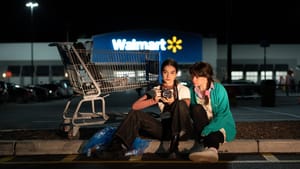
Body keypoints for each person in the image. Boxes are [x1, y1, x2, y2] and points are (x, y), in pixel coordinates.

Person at [102, 58, 193, 159]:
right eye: (165, 72)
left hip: (181, 130)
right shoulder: (157, 90)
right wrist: (154, 100)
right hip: (165, 130)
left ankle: (174, 147)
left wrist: (172, 102)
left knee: (180, 104)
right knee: (135, 114)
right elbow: (135, 106)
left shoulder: (183, 89)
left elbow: (185, 108)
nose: (168, 76)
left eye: (172, 73)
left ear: (175, 74)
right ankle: (116, 147)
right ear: (161, 73)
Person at [188, 61, 236, 163]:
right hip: (202, 125)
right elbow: (193, 114)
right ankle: (209, 150)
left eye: (196, 77)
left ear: (206, 76)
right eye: (192, 76)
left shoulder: (219, 89)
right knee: (195, 108)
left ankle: (211, 150)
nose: (193, 79)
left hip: (221, 124)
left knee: (215, 131)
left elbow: (223, 115)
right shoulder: (191, 91)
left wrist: (207, 130)